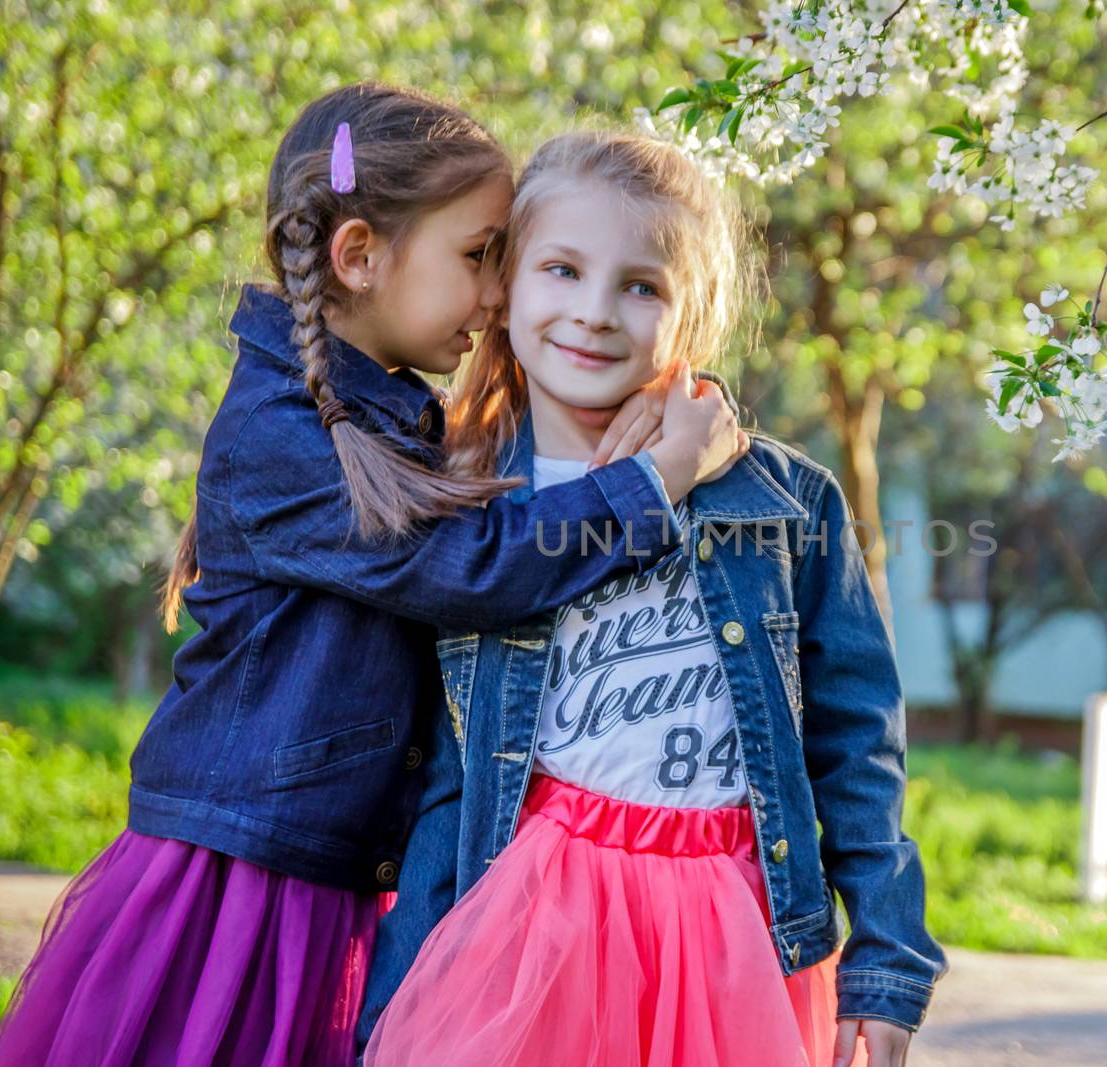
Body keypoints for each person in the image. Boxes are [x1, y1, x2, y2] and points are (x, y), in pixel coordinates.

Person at [0, 85, 744, 1067]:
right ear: (358, 256)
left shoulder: (392, 409)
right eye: (480, 257)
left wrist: (686, 392)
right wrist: (657, 480)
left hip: (327, 866)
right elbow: (469, 564)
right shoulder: (280, 435)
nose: (498, 295)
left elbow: (545, 435)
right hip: (242, 880)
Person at [359, 129, 945, 1067]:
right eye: (562, 269)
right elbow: (445, 777)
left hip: (732, 940)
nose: (594, 313)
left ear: (694, 309)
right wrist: (394, 994)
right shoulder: (462, 494)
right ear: (504, 283)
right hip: (527, 930)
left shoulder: (785, 502)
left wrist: (886, 960)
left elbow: (858, 746)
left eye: (641, 285)